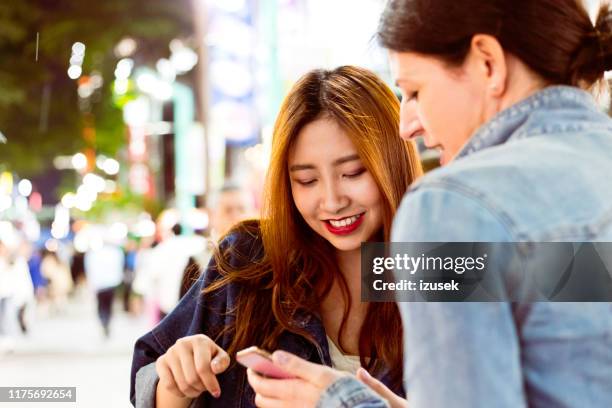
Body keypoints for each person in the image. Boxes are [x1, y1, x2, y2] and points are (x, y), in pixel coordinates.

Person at [248, 1, 612, 407]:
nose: (408, 126)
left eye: (416, 91)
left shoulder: (451, 209)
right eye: (307, 179)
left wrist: (341, 401)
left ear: (487, 63)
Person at [130, 65, 422, 408]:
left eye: (353, 172)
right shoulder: (251, 258)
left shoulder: (442, 262)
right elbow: (150, 382)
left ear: (393, 161)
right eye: (307, 180)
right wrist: (177, 383)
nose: (332, 201)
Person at [84, 234, 125, 338]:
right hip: (110, 283)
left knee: (101, 305)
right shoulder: (115, 253)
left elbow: (90, 269)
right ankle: (106, 321)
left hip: (101, 284)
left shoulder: (94, 254)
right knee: (108, 305)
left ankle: (104, 321)